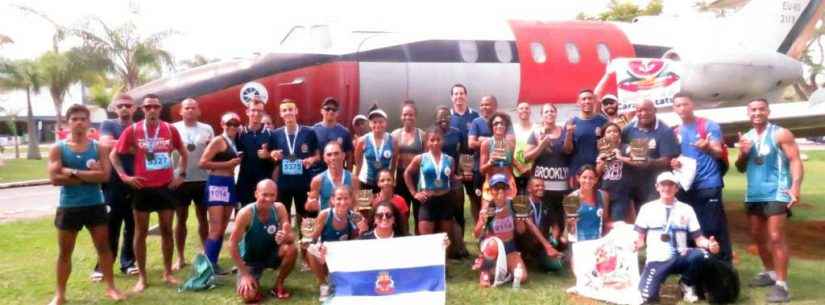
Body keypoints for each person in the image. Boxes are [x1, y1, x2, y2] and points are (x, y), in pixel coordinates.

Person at [48, 104, 125, 305]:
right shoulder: (58, 148)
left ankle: (111, 288)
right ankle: (60, 294)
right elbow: (55, 178)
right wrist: (90, 176)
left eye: (83, 119)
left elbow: (105, 176)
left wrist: (71, 172)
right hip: (69, 206)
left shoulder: (99, 147)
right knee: (65, 253)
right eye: (74, 119)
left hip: (95, 204)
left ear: (89, 123)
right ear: (68, 123)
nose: (79, 122)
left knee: (104, 248)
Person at [110, 94, 187, 292]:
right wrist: (124, 177)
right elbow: (114, 154)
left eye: (155, 106)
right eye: (148, 107)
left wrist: (181, 174)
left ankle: (168, 272)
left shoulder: (170, 129)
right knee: (140, 232)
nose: (152, 110)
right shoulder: (133, 130)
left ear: (160, 109)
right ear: (142, 110)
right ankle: (142, 278)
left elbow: (183, 152)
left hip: (165, 188)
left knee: (167, 231)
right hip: (142, 188)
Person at [735, 98, 803, 303]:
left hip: (777, 191)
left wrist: (796, 187)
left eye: (761, 109)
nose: (757, 113)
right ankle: (770, 272)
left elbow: (795, 160)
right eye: (753, 110)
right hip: (754, 193)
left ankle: (782, 285)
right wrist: (743, 153)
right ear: (748, 113)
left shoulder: (781, 133)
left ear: (768, 111)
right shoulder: (746, 137)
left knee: (775, 237)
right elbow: (740, 167)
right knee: (757, 236)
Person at [635, 172, 721, 304]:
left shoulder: (686, 209)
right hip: (657, 259)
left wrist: (710, 245)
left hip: (681, 256)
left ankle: (687, 283)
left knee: (702, 255)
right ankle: (654, 284)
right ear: (657, 187)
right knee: (647, 298)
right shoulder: (647, 209)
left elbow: (698, 239)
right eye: (663, 185)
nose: (667, 188)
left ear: (677, 188)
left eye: (671, 185)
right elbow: (639, 237)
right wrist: (636, 243)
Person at [671, 93, 733, 263]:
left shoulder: (707, 125)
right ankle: (696, 269)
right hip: (686, 186)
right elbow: (677, 158)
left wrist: (707, 148)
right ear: (674, 108)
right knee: (691, 229)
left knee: (713, 228)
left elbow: (718, 151)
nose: (682, 108)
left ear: (693, 105)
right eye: (678, 105)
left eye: (685, 104)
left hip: (708, 184)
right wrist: (674, 162)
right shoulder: (676, 131)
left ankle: (722, 268)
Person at [92, 94, 138, 280]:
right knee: (111, 224)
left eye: (128, 105)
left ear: (134, 108)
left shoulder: (138, 126)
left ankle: (128, 263)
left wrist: (119, 145)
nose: (124, 108)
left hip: (136, 180)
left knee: (133, 224)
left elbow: (145, 147)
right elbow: (105, 143)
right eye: (121, 106)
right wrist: (132, 146)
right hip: (113, 182)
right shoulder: (109, 124)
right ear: (115, 108)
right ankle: (103, 265)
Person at [229, 179, 297, 303]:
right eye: (264, 195)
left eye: (272, 195)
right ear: (256, 194)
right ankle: (253, 282)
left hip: (272, 255)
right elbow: (232, 244)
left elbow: (291, 238)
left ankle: (278, 285)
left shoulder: (279, 208)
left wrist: (285, 236)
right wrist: (244, 274)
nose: (269, 199)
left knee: (291, 249)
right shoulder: (246, 213)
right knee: (248, 296)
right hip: (250, 260)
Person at [171, 98, 214, 271]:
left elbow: (212, 151)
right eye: (186, 108)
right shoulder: (173, 128)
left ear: (199, 111)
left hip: (203, 179)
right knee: (180, 218)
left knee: (203, 218)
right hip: (181, 179)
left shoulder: (207, 129)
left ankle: (205, 254)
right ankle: (180, 257)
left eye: (193, 108)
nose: (190, 110)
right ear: (181, 111)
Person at [307, 187, 369, 302]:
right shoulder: (325, 215)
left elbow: (364, 240)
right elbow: (313, 239)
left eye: (346, 198)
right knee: (311, 250)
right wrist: (319, 247)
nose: (343, 202)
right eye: (339, 199)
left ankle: (350, 279)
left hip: (345, 255)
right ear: (332, 200)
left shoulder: (355, 216)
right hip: (327, 255)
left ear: (351, 200)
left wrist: (363, 231)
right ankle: (323, 285)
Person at [198, 112, 243, 272]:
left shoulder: (234, 141)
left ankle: (213, 263)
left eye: (235, 124)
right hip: (217, 184)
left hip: (229, 183)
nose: (232, 127)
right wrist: (228, 163)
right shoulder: (218, 140)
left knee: (223, 226)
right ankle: (206, 266)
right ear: (222, 124)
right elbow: (202, 163)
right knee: (216, 228)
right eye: (228, 124)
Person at [622, 99, 680, 213]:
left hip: (655, 185)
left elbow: (669, 159)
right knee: (637, 217)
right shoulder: (629, 129)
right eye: (639, 111)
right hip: (633, 183)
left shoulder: (665, 131)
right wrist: (628, 149)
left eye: (647, 110)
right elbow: (621, 144)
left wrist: (650, 162)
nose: (643, 113)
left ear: (655, 110)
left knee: (654, 215)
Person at [472, 174, 528, 288]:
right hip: (493, 247)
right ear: (491, 190)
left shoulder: (514, 205)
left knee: (522, 277)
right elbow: (476, 234)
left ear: (508, 189)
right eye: (496, 187)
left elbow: (521, 231)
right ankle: (485, 271)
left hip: (510, 247)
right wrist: (482, 222)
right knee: (493, 243)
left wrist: (520, 220)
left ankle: (500, 269)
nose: (500, 191)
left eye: (503, 187)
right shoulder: (488, 208)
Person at [524, 103, 569, 242]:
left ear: (556, 113)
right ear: (541, 115)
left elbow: (569, 151)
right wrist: (541, 145)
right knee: (542, 219)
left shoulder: (564, 132)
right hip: (541, 185)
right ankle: (540, 248)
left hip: (561, 185)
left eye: (552, 111)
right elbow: (527, 157)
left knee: (560, 218)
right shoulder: (536, 133)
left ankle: (559, 246)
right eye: (546, 112)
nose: (549, 114)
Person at [270, 99, 320, 218]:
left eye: (290, 109)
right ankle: (286, 236)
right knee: (283, 215)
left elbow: (318, 156)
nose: (288, 112)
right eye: (284, 110)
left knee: (305, 216)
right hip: (284, 182)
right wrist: (273, 154)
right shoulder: (276, 134)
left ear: (296, 111)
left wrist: (311, 160)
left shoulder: (309, 132)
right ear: (281, 113)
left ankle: (305, 236)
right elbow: (271, 153)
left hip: (303, 181)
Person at [404, 127, 456, 238]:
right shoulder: (420, 158)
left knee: (444, 241)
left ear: (443, 140)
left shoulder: (450, 160)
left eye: (438, 139)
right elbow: (407, 174)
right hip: (428, 202)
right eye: (432, 140)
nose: (435, 142)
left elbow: (450, 178)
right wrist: (414, 193)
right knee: (427, 240)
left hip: (445, 200)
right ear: (427, 142)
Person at [435, 106, 470, 257]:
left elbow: (463, 153)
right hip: (437, 180)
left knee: (459, 213)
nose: (444, 119)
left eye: (447, 116)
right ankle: (444, 247)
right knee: (441, 214)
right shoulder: (431, 134)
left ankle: (460, 245)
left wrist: (461, 172)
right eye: (441, 116)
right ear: (436, 119)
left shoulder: (457, 133)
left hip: (454, 179)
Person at [449, 84, 483, 229]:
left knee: (475, 197)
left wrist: (467, 167)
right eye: (455, 94)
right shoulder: (447, 117)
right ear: (452, 97)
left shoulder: (475, 116)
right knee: (456, 202)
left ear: (466, 96)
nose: (459, 96)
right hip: (452, 165)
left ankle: (479, 231)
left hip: (472, 163)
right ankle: (458, 238)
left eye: (461, 93)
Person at [514, 177, 563, 272]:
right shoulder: (522, 202)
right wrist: (548, 246)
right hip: (526, 241)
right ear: (529, 188)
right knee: (523, 229)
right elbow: (530, 225)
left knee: (562, 245)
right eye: (537, 186)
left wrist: (553, 240)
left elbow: (555, 225)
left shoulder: (546, 204)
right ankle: (528, 257)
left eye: (542, 186)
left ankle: (541, 258)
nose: (541, 188)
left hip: (542, 242)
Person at [235, 97, 276, 207]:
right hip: (244, 184)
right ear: (247, 112)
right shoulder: (239, 133)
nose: (256, 113)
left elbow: (278, 160)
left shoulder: (271, 134)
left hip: (264, 184)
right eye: (253, 110)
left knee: (264, 218)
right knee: (243, 218)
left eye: (259, 111)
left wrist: (268, 155)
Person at [563, 89, 609, 187]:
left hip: (598, 173)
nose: (587, 101)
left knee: (597, 201)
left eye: (590, 98)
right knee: (574, 202)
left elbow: (609, 147)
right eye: (583, 99)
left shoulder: (603, 121)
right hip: (576, 174)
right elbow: (567, 151)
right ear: (578, 103)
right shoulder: (571, 122)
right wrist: (569, 134)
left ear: (594, 101)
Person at [391, 101, 424, 232]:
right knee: (402, 212)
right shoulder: (394, 135)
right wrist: (391, 177)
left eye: (411, 114)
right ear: (401, 116)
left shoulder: (422, 135)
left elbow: (425, 158)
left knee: (419, 213)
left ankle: (419, 239)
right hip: (400, 178)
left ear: (415, 116)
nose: (408, 117)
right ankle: (403, 237)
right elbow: (393, 160)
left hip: (417, 178)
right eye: (405, 114)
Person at [354, 105, 398, 192]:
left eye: (381, 122)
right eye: (374, 122)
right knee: (364, 206)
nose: (378, 125)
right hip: (365, 182)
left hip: (384, 184)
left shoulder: (393, 141)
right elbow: (358, 162)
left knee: (383, 205)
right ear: (370, 124)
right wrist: (356, 182)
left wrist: (391, 180)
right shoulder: (362, 141)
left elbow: (393, 164)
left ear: (386, 123)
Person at [595, 122, 633, 223]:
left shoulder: (626, 147)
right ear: (604, 136)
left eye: (615, 131)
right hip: (604, 191)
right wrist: (601, 163)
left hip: (621, 192)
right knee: (603, 222)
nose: (612, 134)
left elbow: (638, 161)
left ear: (620, 134)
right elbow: (597, 174)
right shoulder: (601, 150)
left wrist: (620, 157)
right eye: (609, 132)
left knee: (618, 222)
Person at [468, 95, 497, 221]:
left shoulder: (500, 121)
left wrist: (484, 140)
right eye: (482, 105)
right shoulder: (476, 122)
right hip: (480, 168)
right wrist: (494, 141)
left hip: (497, 168)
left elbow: (507, 142)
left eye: (487, 104)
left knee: (495, 199)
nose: (484, 107)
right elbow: (471, 143)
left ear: (495, 106)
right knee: (478, 199)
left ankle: (495, 227)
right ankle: (480, 229)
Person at [564, 165, 609, 243]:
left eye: (591, 178)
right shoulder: (572, 198)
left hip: (597, 241)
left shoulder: (603, 196)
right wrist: (570, 223)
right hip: (578, 242)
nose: (587, 181)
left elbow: (605, 220)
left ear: (596, 180)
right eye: (584, 177)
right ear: (578, 178)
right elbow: (569, 228)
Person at [307, 141, 356, 212]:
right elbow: (309, 207)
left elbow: (355, 206)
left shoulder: (353, 179)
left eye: (336, 154)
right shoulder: (317, 180)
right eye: (329, 155)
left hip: (347, 221)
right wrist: (310, 205)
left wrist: (358, 221)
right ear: (324, 158)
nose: (333, 158)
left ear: (343, 155)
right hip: (326, 221)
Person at [480, 112, 517, 203]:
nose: (499, 126)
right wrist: (490, 162)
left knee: (508, 214)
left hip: (508, 183)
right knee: (488, 215)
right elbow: (481, 170)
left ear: (506, 126)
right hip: (491, 183)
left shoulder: (510, 144)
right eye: (496, 123)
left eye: (502, 123)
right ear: (491, 127)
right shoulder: (486, 144)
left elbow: (511, 166)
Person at [312, 97, 354, 175]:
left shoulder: (344, 132)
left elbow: (349, 157)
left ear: (338, 112)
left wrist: (349, 176)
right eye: (327, 109)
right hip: (317, 174)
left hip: (338, 175)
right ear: (321, 111)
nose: (331, 111)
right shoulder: (313, 131)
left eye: (334, 109)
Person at [372, 169, 410, 235]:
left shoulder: (400, 200)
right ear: (378, 184)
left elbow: (405, 223)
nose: (386, 182)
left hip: (396, 233)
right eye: (382, 180)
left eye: (389, 180)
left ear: (394, 182)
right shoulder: (373, 200)